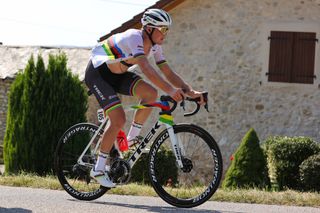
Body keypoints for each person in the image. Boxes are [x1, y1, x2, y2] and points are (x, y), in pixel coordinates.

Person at [84, 8, 204, 188]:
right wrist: (171, 91)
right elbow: (147, 69)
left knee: (151, 94)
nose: (165, 34)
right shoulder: (134, 38)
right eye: (162, 29)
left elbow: (167, 71)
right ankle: (98, 168)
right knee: (118, 119)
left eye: (167, 30)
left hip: (118, 74)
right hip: (98, 74)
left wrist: (190, 91)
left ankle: (131, 139)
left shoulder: (155, 46)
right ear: (149, 28)